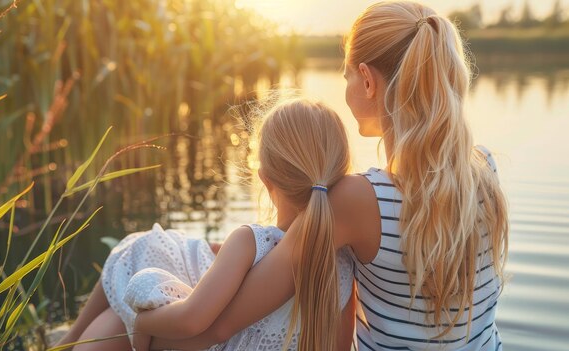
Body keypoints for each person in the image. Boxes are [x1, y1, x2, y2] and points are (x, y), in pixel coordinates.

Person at [144, 1, 509, 350]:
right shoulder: (484, 168)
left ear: (367, 81)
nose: (346, 86)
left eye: (346, 75)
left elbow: (223, 324)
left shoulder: (357, 199)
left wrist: (140, 330)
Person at [55, 98, 357, 351]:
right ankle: (68, 340)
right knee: (148, 248)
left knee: (139, 252)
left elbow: (191, 322)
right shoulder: (343, 265)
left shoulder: (251, 241)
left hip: (203, 340)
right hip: (215, 309)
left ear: (265, 178)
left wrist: (141, 322)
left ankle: (67, 340)